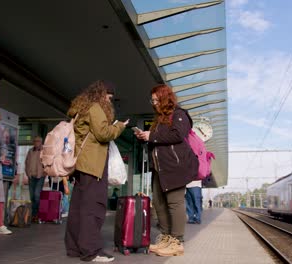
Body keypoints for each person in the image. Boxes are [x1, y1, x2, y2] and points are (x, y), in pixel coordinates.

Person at [65, 80, 128, 262]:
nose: (109, 101)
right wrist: (120, 126)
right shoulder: (95, 107)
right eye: (109, 97)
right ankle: (91, 251)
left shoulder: (82, 107)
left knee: (78, 208)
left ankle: (74, 248)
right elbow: (103, 133)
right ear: (102, 94)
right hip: (93, 166)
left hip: (81, 166)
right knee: (93, 208)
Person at [135, 84, 198, 257]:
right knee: (159, 203)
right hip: (159, 168)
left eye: (156, 100)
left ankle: (177, 242)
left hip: (175, 168)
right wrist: (145, 137)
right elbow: (158, 141)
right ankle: (166, 237)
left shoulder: (179, 114)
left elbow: (178, 135)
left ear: (164, 98)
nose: (153, 103)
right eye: (152, 100)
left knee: (174, 203)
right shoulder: (159, 119)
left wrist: (152, 136)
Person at [25, 136, 45, 223]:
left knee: (37, 195)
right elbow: (26, 162)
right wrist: (27, 173)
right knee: (32, 196)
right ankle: (34, 215)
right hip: (31, 176)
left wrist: (44, 173)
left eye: (38, 141)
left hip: (40, 176)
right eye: (35, 141)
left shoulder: (44, 151)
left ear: (41, 142)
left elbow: (47, 163)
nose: (36, 142)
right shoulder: (30, 151)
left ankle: (37, 214)